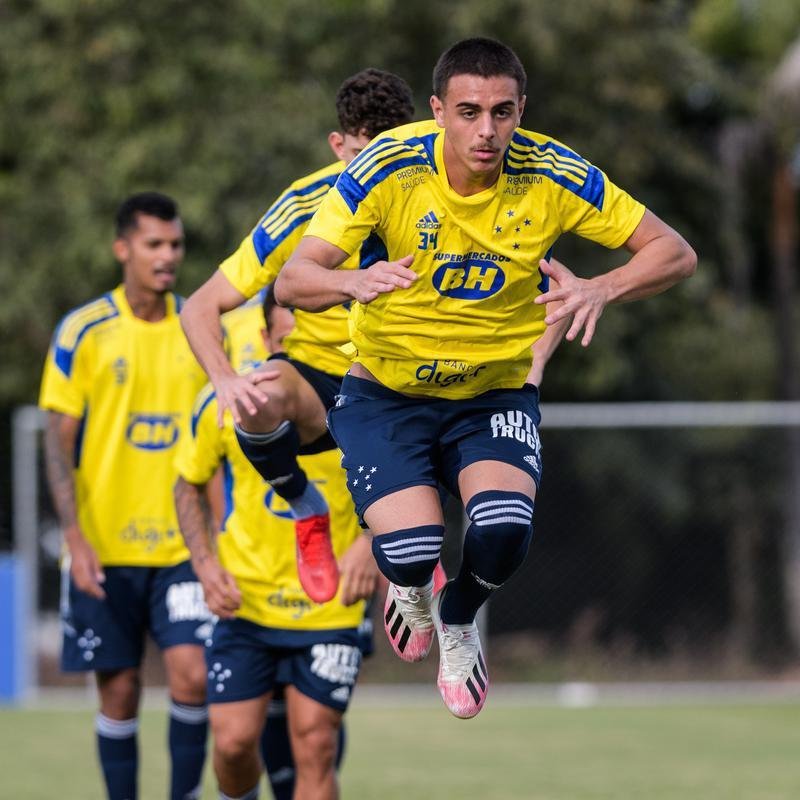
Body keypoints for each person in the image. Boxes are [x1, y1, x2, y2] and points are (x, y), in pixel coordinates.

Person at [274, 37, 697, 719]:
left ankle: (460, 615)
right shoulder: (387, 166)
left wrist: (602, 287)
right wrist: (352, 278)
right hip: (388, 394)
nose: (486, 131)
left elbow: (674, 252)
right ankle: (409, 588)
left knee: (500, 531)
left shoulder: (553, 172)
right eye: (468, 112)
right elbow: (294, 280)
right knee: (410, 551)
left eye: (503, 113)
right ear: (437, 110)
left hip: (492, 392)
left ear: (521, 110)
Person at [179, 68, 415, 605]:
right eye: (363, 156)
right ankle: (304, 506)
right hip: (320, 385)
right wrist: (223, 380)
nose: (376, 174)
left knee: (463, 407)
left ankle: (420, 556)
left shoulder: (439, 195)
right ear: (338, 147)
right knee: (256, 395)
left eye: (391, 154)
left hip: (401, 381)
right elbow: (200, 306)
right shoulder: (303, 204)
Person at [39, 192, 212, 799]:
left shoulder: (200, 326)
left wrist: (216, 544)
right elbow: (58, 444)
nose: (168, 257)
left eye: (175, 244)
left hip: (182, 547)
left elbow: (218, 438)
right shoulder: (83, 330)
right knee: (118, 691)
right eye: (154, 245)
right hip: (104, 548)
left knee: (192, 675)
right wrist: (75, 538)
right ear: (123, 249)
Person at [174, 290, 377, 800]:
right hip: (248, 602)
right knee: (234, 744)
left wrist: (371, 542)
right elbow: (187, 481)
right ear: (265, 338)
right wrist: (203, 562)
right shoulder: (229, 402)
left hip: (329, 605)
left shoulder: (368, 407)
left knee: (315, 743)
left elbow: (422, 471)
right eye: (287, 342)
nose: (300, 363)